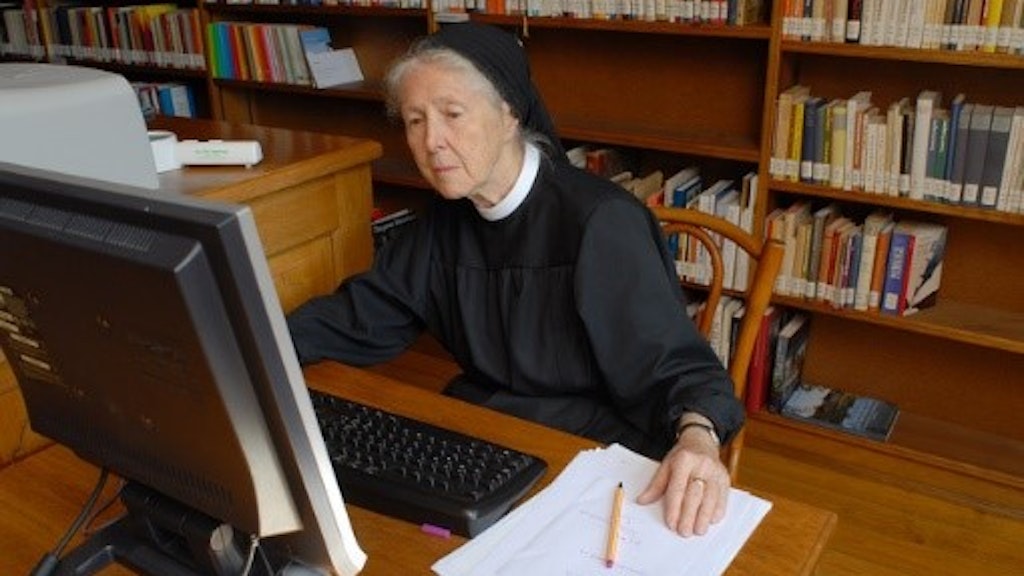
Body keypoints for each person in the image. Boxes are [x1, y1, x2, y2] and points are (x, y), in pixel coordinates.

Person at [286, 22, 745, 537]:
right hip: (490, 438)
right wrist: (251, 345)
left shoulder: (599, 223)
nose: (431, 141)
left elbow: (679, 367)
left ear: (509, 114)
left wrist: (699, 438)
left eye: (452, 115)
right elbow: (357, 317)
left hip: (593, 453)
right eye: (414, 121)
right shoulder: (440, 225)